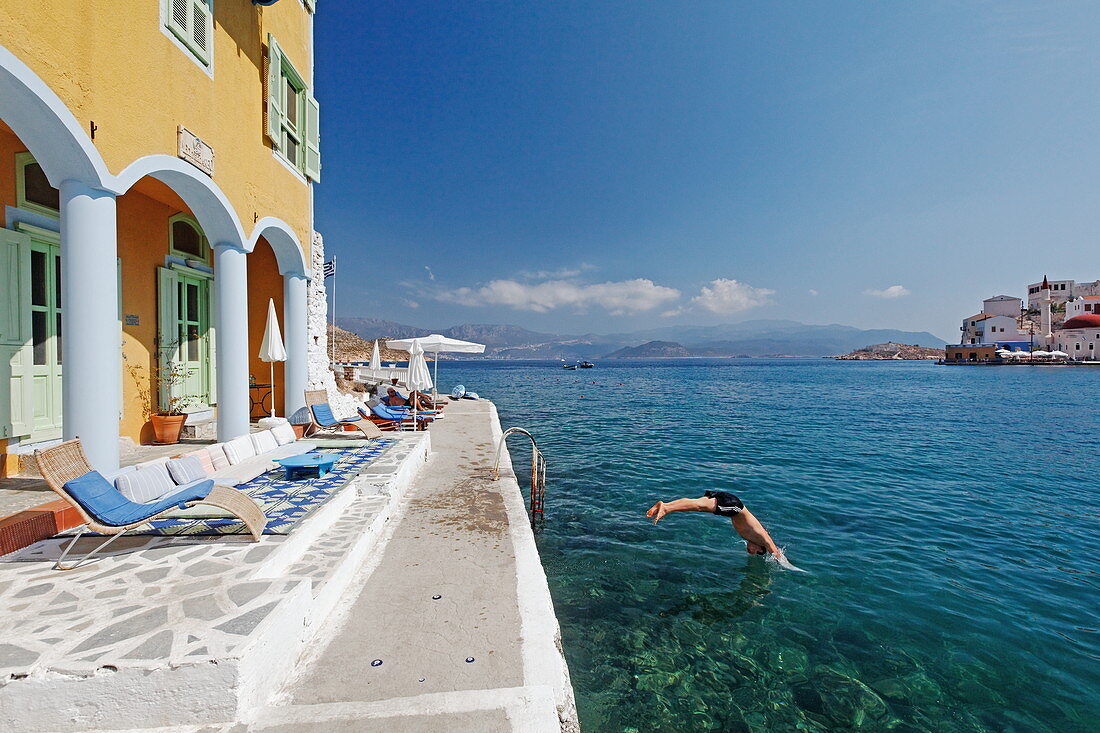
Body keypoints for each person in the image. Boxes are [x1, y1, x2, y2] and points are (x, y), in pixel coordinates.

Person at [646, 490, 791, 563]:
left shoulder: (749, 537)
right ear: (760, 548)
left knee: (697, 503)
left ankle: (666, 505)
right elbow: (776, 552)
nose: (750, 551)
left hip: (732, 503)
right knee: (698, 506)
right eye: (753, 551)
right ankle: (666, 508)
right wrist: (788, 566)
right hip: (734, 507)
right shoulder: (762, 538)